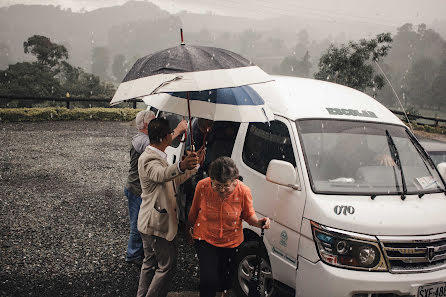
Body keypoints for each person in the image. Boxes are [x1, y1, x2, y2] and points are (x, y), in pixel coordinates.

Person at [136, 117, 205, 297]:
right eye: (169, 134)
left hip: (150, 222)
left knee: (150, 264)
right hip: (156, 224)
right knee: (167, 266)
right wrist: (181, 165)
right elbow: (161, 175)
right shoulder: (149, 159)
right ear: (164, 138)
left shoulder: (158, 156)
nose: (172, 136)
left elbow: (172, 179)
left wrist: (194, 165)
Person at [187, 156, 271, 297]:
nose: (221, 190)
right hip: (205, 238)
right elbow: (194, 211)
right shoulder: (202, 186)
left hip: (231, 242)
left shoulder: (243, 192)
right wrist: (188, 230)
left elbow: (248, 216)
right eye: (217, 185)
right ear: (211, 179)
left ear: (235, 181)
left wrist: (259, 223)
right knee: (208, 280)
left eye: (226, 186)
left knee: (224, 281)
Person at [124, 110, 187, 265]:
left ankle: (141, 255)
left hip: (136, 186)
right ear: (147, 125)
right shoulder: (144, 142)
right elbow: (160, 146)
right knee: (137, 224)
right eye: (154, 121)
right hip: (136, 188)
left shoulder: (140, 138)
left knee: (139, 223)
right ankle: (132, 255)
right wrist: (178, 130)